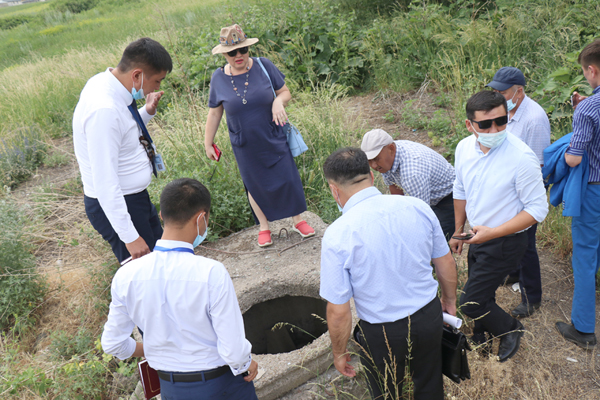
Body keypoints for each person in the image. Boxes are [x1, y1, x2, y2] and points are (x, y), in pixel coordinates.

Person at [101, 178, 259, 399]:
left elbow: (113, 344)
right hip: (220, 385)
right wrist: (246, 362)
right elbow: (232, 349)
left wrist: (156, 347)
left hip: (171, 389)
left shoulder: (126, 276)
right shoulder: (211, 272)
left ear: (162, 216)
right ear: (201, 218)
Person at [320, 148, 458, 399]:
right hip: (428, 315)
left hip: (382, 331)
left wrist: (339, 352)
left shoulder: (337, 235)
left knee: (386, 392)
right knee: (430, 384)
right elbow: (445, 262)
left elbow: (338, 311)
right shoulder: (416, 206)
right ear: (371, 177)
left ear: (334, 189)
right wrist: (448, 301)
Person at [449, 91, 548, 362]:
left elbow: (538, 209)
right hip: (476, 235)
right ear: (470, 125)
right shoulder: (463, 148)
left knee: (470, 301)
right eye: (485, 124)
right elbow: (460, 187)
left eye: (501, 121)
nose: (495, 129)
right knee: (483, 290)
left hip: (505, 240)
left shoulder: (520, 157)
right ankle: (481, 336)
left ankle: (510, 329)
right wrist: (459, 229)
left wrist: (492, 233)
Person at [204, 24, 314, 247]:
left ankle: (297, 219)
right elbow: (215, 113)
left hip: (272, 133)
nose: (239, 56)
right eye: (233, 52)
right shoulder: (218, 78)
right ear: (224, 54)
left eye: (243, 50)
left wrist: (277, 101)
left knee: (287, 174)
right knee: (253, 183)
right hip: (244, 142)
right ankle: (264, 227)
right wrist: (208, 143)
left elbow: (285, 92)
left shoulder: (264, 65)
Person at [73, 38, 172, 263]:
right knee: (146, 275)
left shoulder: (107, 83)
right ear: (137, 75)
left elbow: (123, 130)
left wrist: (145, 112)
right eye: (157, 80)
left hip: (134, 197)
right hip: (119, 202)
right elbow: (104, 181)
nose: (157, 87)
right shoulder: (103, 110)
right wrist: (129, 236)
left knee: (162, 262)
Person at [486, 66, 551, 318]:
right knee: (511, 237)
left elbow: (537, 166)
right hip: (507, 183)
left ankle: (531, 298)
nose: (497, 95)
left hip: (525, 189)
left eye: (502, 92)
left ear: (519, 91)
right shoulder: (507, 111)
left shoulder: (533, 119)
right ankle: (513, 274)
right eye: (494, 90)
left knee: (526, 243)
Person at [556, 39, 600, 349]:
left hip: (594, 191)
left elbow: (574, 157)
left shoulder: (587, 109)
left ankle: (583, 329)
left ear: (592, 69)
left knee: (585, 255)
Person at [360, 129, 456, 239]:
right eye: (369, 160)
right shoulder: (387, 159)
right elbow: (395, 189)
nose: (373, 165)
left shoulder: (413, 172)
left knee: (436, 242)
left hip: (448, 197)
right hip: (426, 195)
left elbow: (420, 214)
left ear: (391, 148)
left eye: (376, 159)